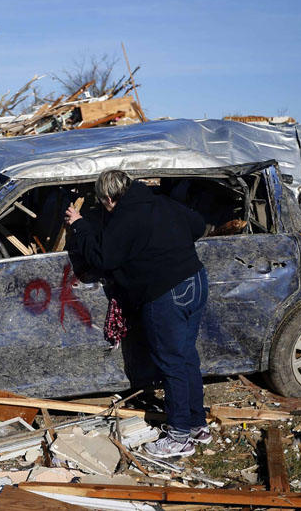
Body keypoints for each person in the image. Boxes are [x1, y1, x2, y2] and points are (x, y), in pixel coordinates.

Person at [64, 169, 211, 458]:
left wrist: (80, 225)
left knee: (170, 363)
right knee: (186, 357)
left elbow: (103, 257)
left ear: (108, 197)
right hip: (195, 281)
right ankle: (197, 424)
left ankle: (180, 435)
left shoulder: (125, 217)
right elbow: (196, 225)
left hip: (165, 292)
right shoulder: (160, 201)